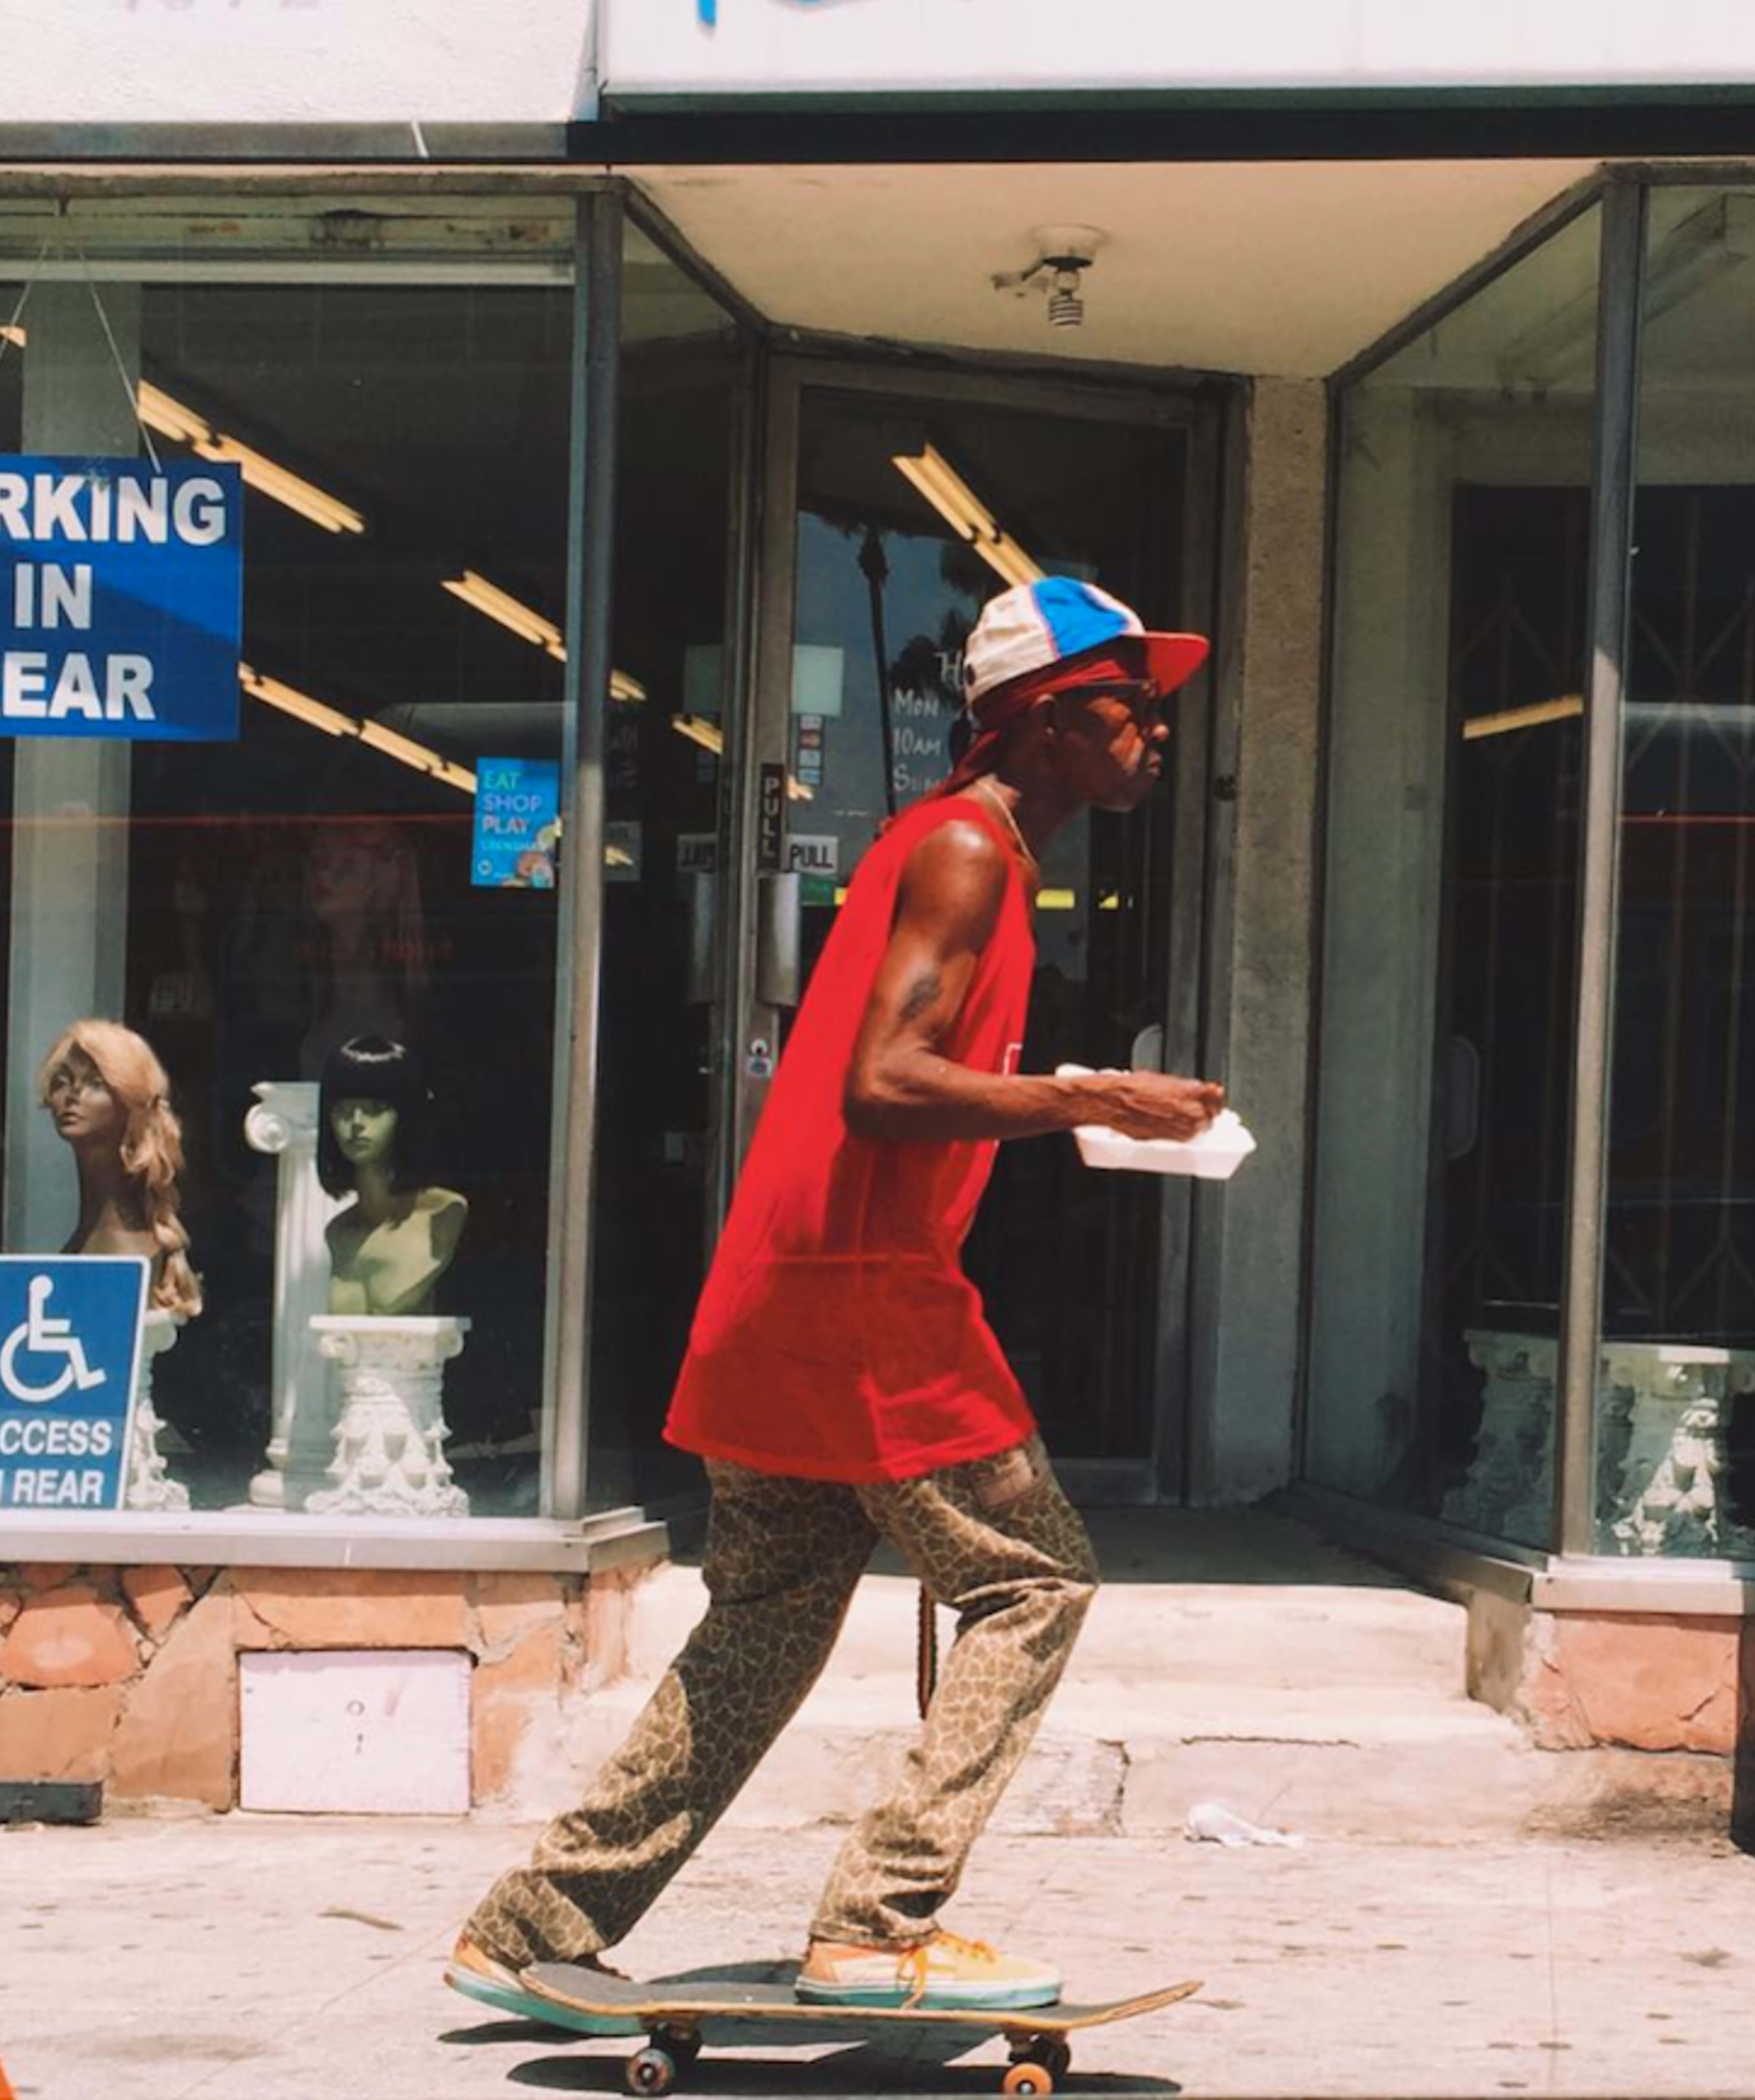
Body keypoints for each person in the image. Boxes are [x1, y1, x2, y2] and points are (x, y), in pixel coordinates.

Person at [450, 578, 1221, 2015]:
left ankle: (536, 1923)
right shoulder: (968, 857)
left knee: (759, 1625)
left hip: (785, 1287)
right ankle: (878, 1919)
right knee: (1035, 1580)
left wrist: (1069, 1102)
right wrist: (1088, 1094)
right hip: (865, 1296)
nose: (1160, 728)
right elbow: (883, 1085)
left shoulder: (943, 849)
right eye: (1138, 700)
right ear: (1053, 721)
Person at [38, 1018, 202, 1319]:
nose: (73, 1095)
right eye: (62, 1081)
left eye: (96, 1084)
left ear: (131, 1100)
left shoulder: (133, 1249)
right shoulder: (85, 1240)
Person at [316, 1034, 467, 1317]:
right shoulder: (338, 1232)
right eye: (344, 1110)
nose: (357, 1124)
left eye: (375, 1110)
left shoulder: (444, 1215)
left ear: (406, 1116)